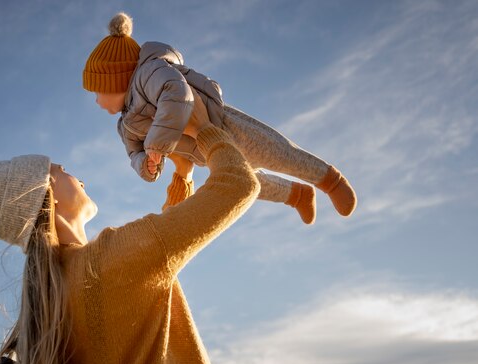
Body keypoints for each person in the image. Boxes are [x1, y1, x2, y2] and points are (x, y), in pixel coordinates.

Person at [0, 95, 259, 364]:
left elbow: (154, 258)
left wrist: (182, 177)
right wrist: (203, 128)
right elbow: (238, 184)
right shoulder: (112, 257)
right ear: (47, 187)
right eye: (62, 169)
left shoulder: (51, 296)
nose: (78, 178)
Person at [83, 12, 358, 225]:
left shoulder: (148, 75)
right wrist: (148, 166)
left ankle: (329, 181)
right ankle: (296, 196)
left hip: (219, 125)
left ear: (116, 80)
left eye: (99, 91)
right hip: (203, 151)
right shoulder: (126, 124)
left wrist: (157, 144)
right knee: (245, 182)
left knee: (274, 152)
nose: (97, 101)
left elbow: (176, 92)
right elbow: (133, 154)